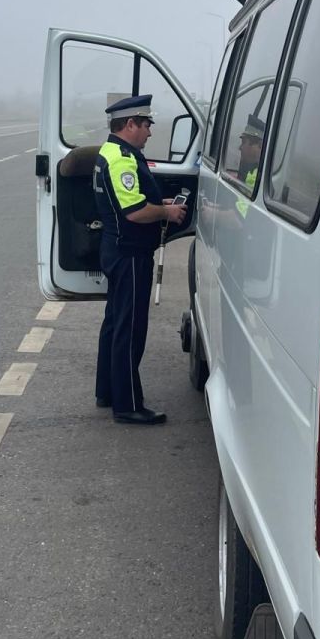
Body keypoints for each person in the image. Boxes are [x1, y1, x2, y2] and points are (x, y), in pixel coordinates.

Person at [93, 94, 187, 425]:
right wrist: (167, 211)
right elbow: (134, 212)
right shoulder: (122, 160)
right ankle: (128, 405)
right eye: (146, 125)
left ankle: (107, 390)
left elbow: (128, 201)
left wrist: (156, 201)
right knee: (130, 329)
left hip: (116, 248)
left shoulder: (113, 153)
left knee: (115, 323)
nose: (149, 132)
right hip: (129, 253)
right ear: (130, 124)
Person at [237, 113, 265, 190]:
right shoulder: (249, 170)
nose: (240, 148)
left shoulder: (260, 180)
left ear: (259, 145)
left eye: (244, 142)